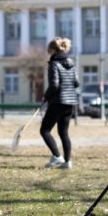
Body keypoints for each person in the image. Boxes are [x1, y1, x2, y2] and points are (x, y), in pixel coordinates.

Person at [41, 37, 79, 169]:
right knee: (64, 133)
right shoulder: (71, 62)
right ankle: (67, 162)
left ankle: (57, 157)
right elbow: (76, 83)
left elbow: (54, 84)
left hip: (57, 102)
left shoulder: (54, 64)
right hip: (70, 103)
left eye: (48, 50)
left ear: (52, 50)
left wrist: (45, 96)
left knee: (44, 130)